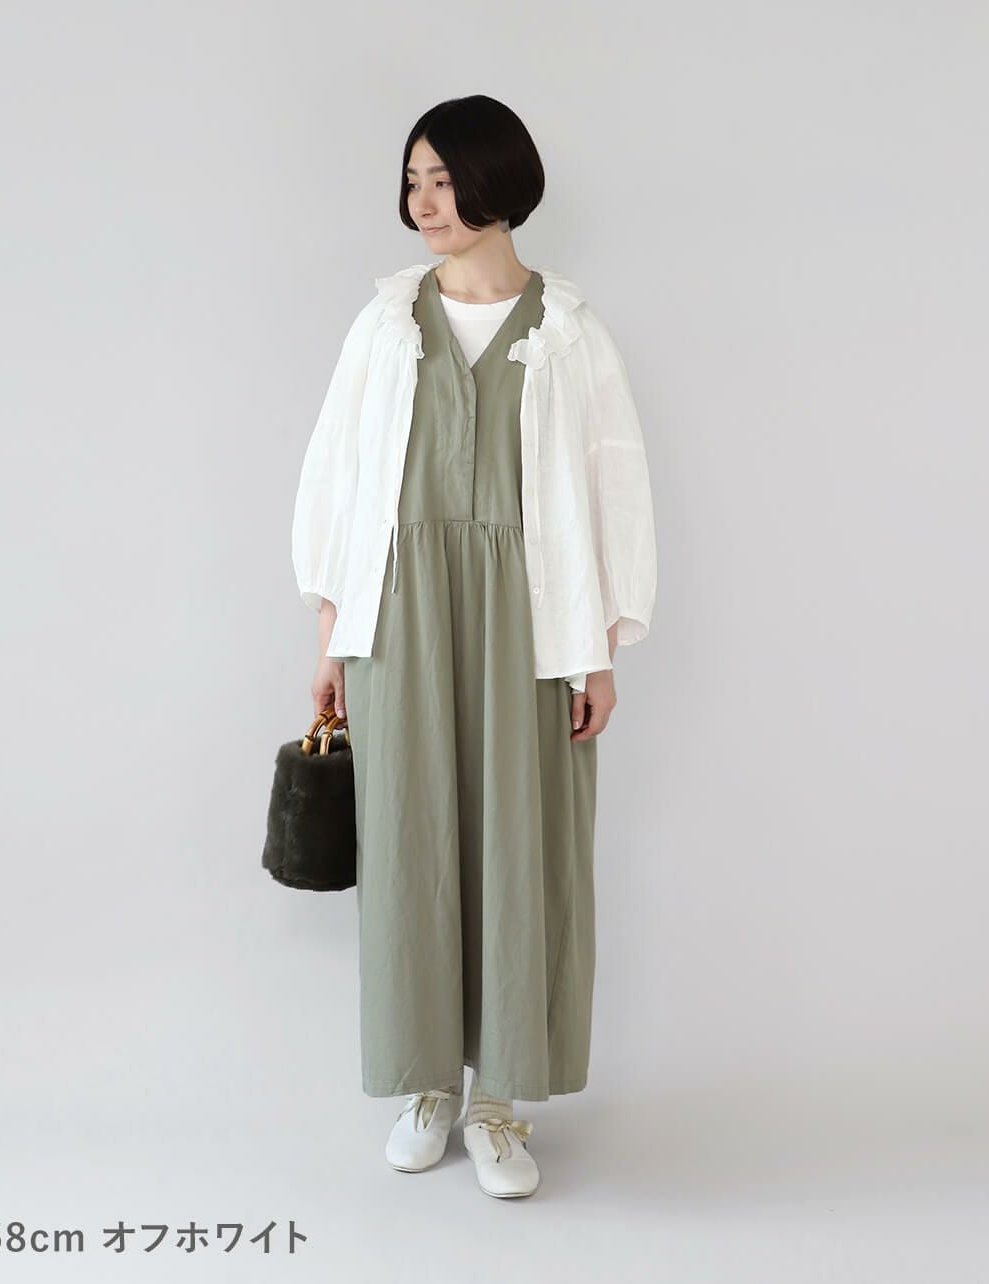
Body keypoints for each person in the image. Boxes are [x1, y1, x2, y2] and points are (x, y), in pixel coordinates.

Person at [290, 95, 657, 1198]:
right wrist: (331, 636)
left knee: (519, 844)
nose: (425, 201)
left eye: (444, 178)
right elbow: (337, 478)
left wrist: (601, 649)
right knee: (409, 842)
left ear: (500, 180)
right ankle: (426, 1088)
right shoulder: (383, 324)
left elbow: (613, 487)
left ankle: (498, 1099)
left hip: (532, 620)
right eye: (414, 180)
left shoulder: (568, 330)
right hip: (400, 612)